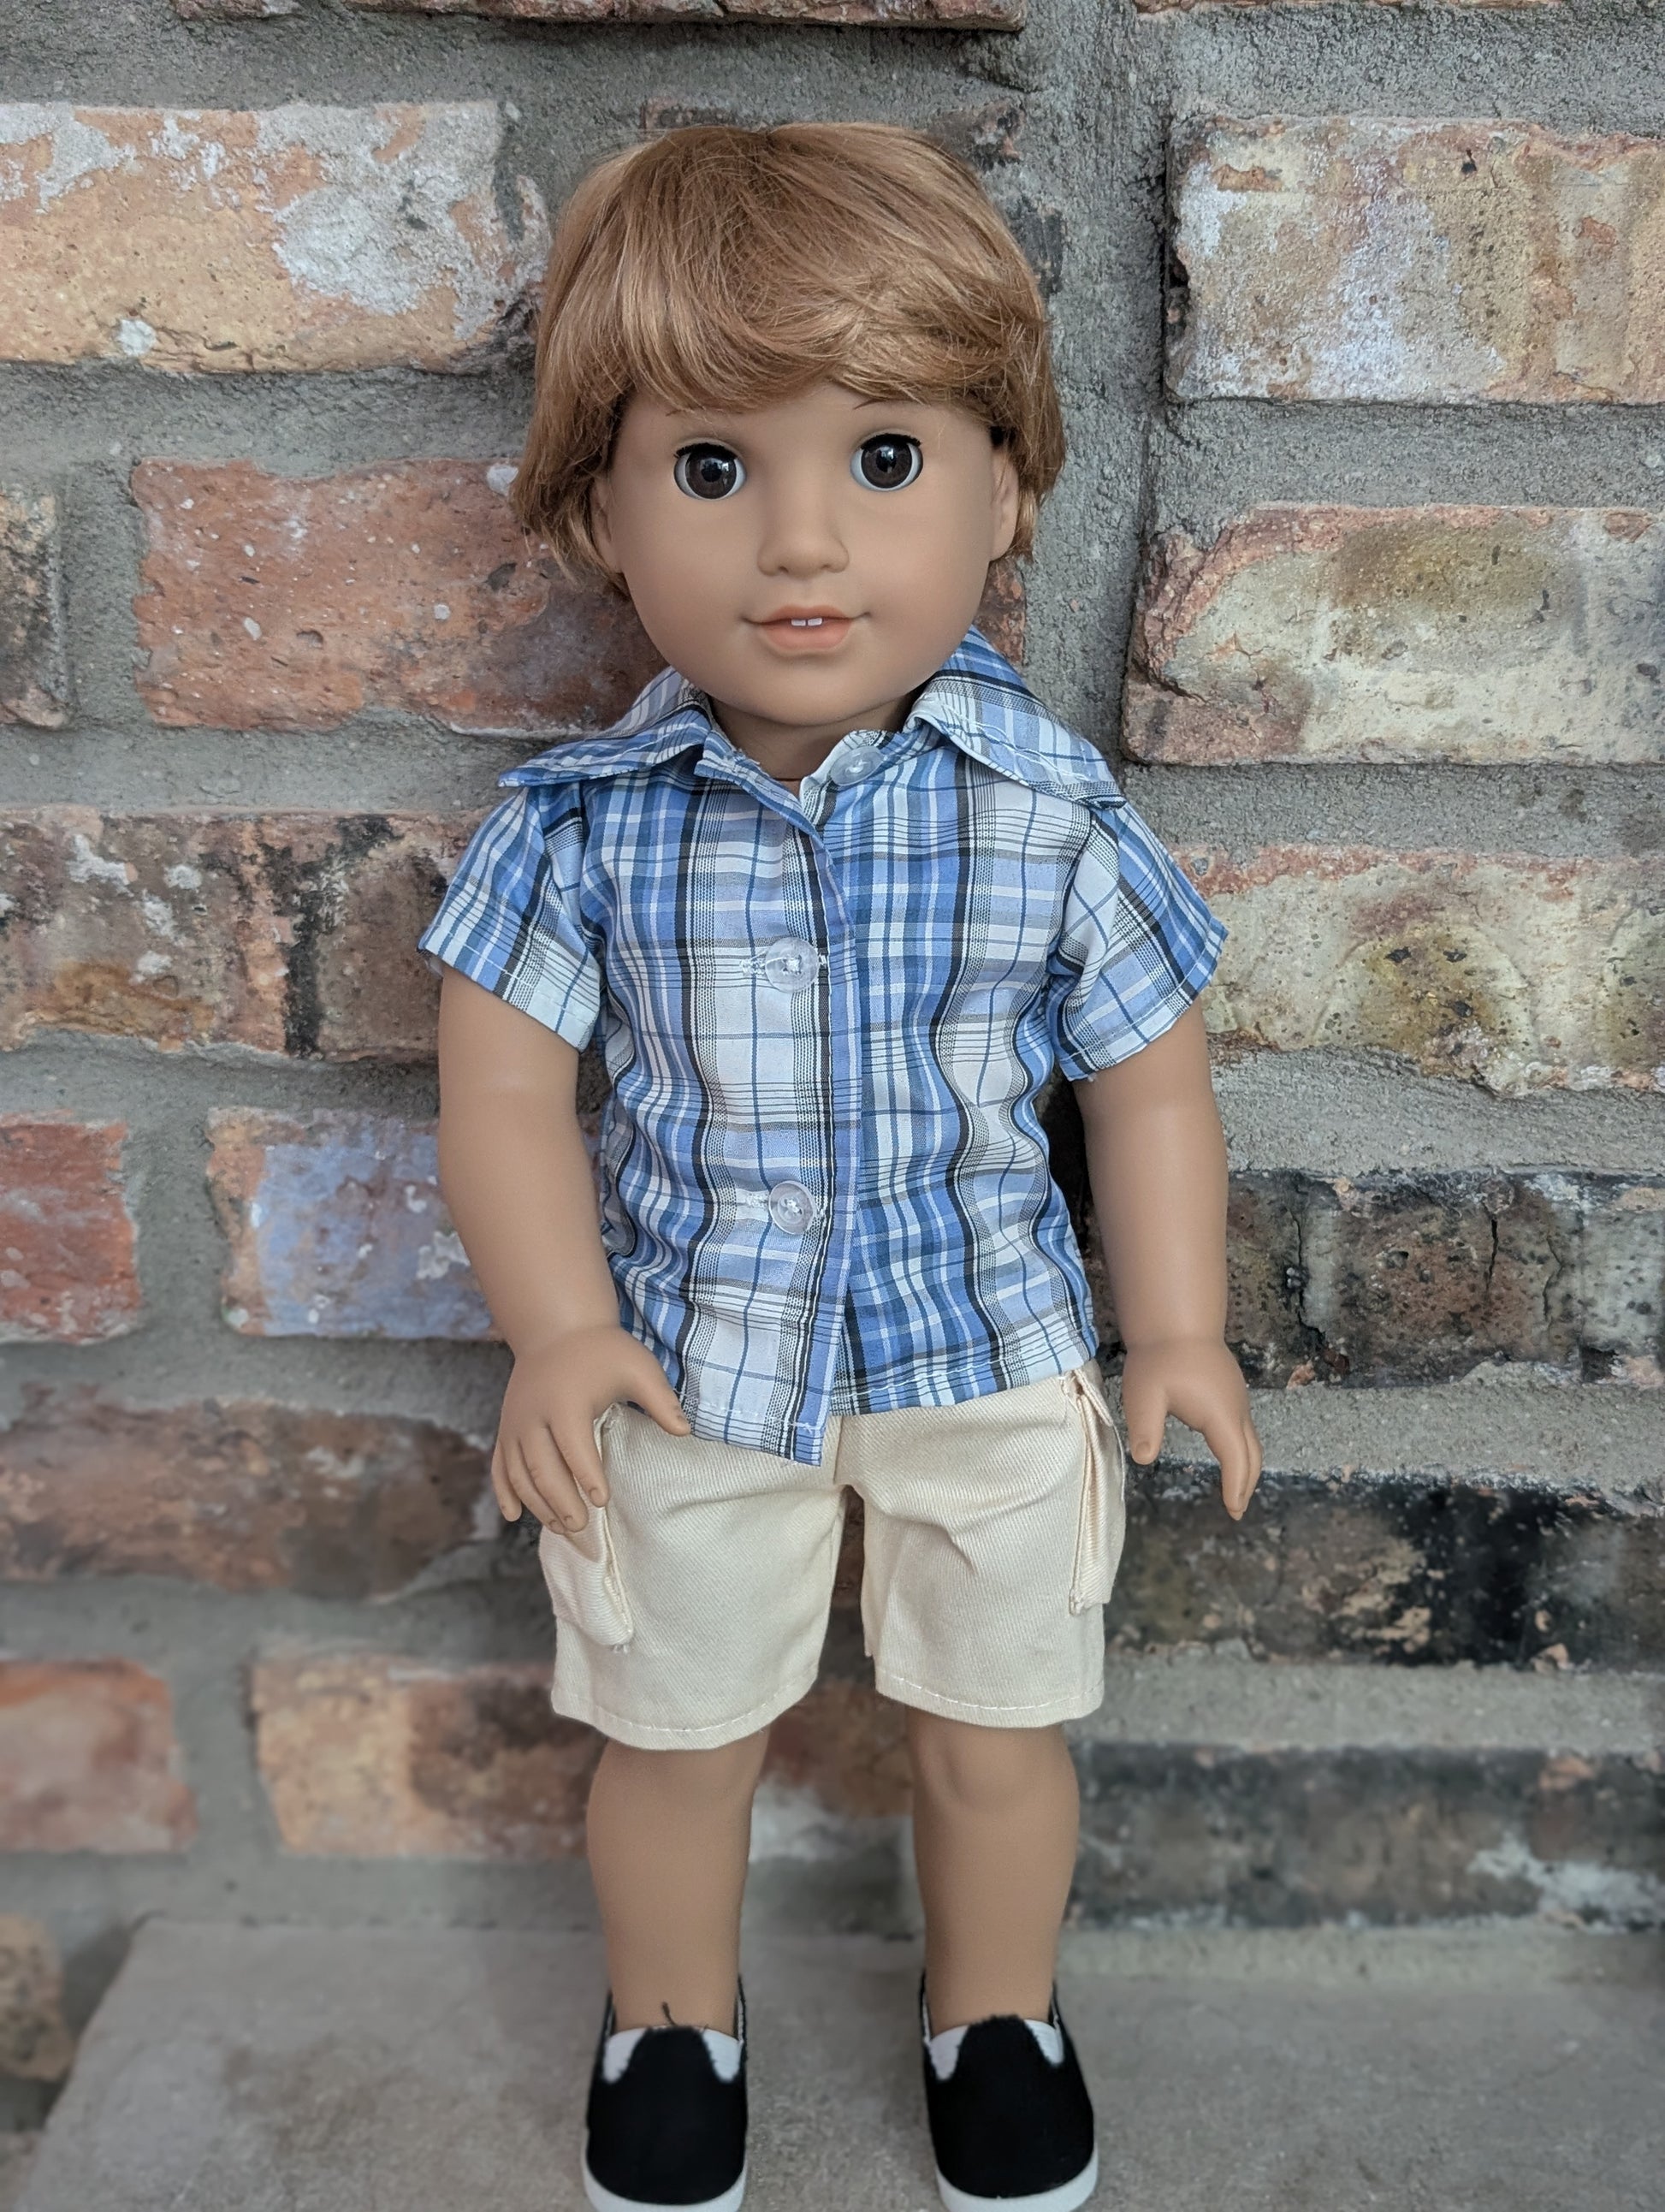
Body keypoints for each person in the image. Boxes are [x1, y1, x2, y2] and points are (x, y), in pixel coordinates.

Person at [419, 122, 1262, 2212]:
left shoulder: (1046, 810)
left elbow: (1149, 1080)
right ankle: (667, 2022)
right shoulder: (580, 827)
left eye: (882, 457)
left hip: (990, 1344)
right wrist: (558, 1334)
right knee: (675, 1730)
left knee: (996, 1729)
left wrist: (1177, 1328)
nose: (802, 541)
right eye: (713, 467)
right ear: (601, 512)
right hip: (690, 1360)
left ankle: (998, 2015)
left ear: (1005, 488)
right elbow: (503, 1095)